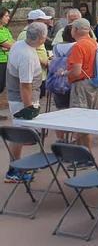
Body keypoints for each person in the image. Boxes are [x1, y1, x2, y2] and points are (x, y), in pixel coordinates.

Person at [4, 22, 48, 183]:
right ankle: (14, 170)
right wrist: (29, 107)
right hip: (22, 101)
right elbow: (25, 86)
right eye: (45, 34)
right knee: (20, 136)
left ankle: (16, 167)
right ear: (41, 37)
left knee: (20, 136)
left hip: (18, 98)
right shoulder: (27, 56)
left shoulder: (19, 45)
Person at [64, 18, 98, 150]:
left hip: (81, 84)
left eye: (72, 28)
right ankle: (85, 153)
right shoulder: (93, 43)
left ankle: (84, 155)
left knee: (79, 121)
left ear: (77, 30)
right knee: (88, 120)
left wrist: (63, 73)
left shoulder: (79, 46)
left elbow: (76, 71)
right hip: (93, 83)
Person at [0, 8, 13, 105]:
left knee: (2, 86)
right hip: (0, 61)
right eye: (6, 16)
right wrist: (9, 47)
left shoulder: (5, 30)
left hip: (6, 60)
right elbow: (10, 45)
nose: (8, 18)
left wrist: (8, 47)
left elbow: (13, 43)